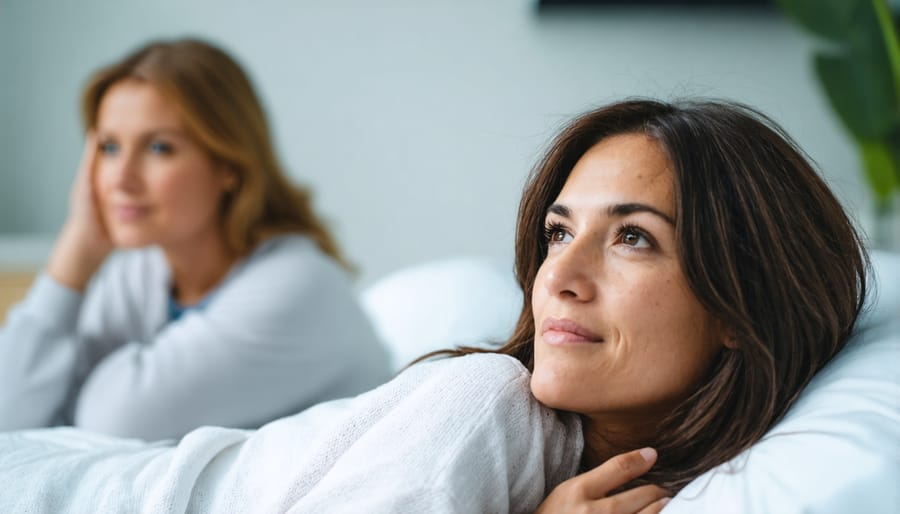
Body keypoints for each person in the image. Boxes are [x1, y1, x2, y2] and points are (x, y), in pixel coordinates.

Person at [0, 99, 868, 513]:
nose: (559, 276)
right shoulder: (486, 403)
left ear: (740, 301)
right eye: (559, 233)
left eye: (633, 237)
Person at [0, 38, 390, 441]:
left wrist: (78, 389)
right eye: (110, 147)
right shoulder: (140, 275)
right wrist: (74, 255)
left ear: (228, 165)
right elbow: (8, 418)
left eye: (158, 147)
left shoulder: (302, 286)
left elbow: (114, 419)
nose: (120, 178)